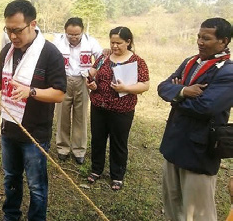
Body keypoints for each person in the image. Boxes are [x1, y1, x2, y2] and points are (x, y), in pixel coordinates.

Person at [0, 0, 66, 220]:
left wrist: (32, 92)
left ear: (33, 24)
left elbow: (59, 93)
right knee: (11, 178)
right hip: (9, 128)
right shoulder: (8, 50)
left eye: (17, 30)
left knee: (36, 186)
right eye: (8, 30)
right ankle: (11, 216)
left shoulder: (50, 53)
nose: (12, 36)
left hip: (34, 133)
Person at [158, 17, 233, 221]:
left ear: (223, 41)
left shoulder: (228, 72)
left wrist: (176, 97)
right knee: (172, 205)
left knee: (198, 213)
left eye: (206, 38)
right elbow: (163, 87)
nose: (199, 42)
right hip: (174, 144)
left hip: (199, 151)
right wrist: (183, 91)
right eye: (199, 36)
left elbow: (205, 107)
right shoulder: (190, 62)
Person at [86, 26, 150, 191]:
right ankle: (96, 169)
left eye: (119, 43)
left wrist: (126, 89)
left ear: (128, 42)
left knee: (118, 142)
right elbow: (92, 72)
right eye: (112, 42)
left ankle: (117, 175)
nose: (115, 46)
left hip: (122, 109)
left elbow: (145, 85)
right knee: (98, 139)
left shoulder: (137, 62)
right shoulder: (104, 56)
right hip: (99, 106)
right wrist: (91, 83)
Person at [53, 17, 103, 164]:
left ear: (82, 31)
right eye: (70, 34)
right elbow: (49, 57)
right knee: (62, 114)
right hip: (63, 80)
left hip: (83, 81)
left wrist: (93, 71)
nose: (73, 37)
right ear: (65, 32)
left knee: (80, 116)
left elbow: (101, 57)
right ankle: (63, 148)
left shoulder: (91, 41)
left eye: (76, 34)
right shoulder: (58, 41)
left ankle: (79, 149)